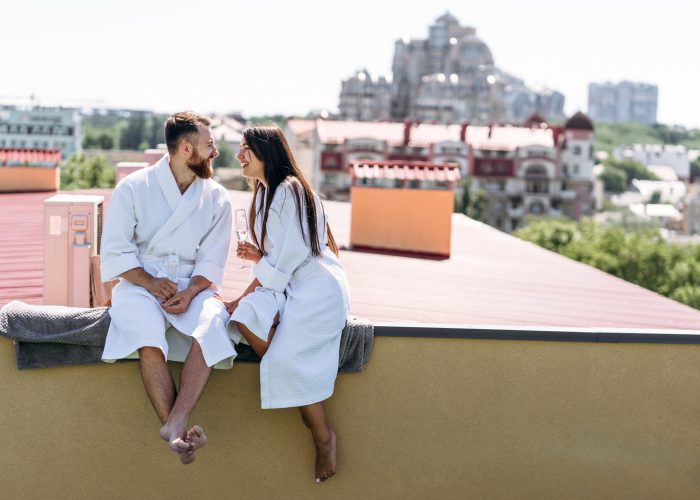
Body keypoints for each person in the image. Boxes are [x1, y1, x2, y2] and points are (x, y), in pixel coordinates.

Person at [100, 111, 236, 464]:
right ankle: (175, 429)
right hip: (139, 280)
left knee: (211, 323)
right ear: (186, 148)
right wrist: (150, 282)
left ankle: (175, 422)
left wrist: (191, 292)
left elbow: (212, 261)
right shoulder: (133, 187)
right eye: (210, 145)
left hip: (193, 285)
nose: (215, 152)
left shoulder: (218, 198)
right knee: (146, 333)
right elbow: (115, 251)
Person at [226, 125, 350, 482]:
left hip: (318, 292)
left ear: (267, 150)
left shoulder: (289, 190)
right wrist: (254, 269)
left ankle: (322, 435)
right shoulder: (266, 194)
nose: (239, 156)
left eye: (245, 148)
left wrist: (251, 281)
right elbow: (280, 257)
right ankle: (301, 394)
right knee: (245, 317)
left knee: (281, 355)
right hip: (296, 287)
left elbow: (293, 254)